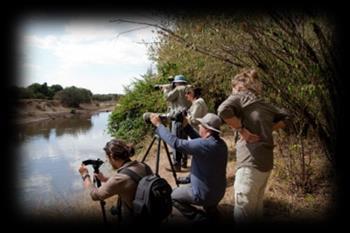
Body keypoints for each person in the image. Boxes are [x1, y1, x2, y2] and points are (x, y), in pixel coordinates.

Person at [217, 69, 289, 223]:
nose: (232, 92)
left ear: (238, 86)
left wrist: (242, 131)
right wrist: (265, 129)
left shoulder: (240, 95)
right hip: (266, 164)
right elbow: (285, 120)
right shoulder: (264, 105)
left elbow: (222, 110)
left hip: (249, 165)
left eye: (233, 89)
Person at [150, 112, 228, 223]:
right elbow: (199, 141)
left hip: (204, 194)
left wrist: (159, 125)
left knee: (172, 196)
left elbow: (176, 144)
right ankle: (212, 211)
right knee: (209, 194)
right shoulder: (220, 144)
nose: (199, 126)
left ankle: (200, 219)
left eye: (201, 125)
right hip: (218, 192)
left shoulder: (203, 146)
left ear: (208, 131)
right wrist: (185, 125)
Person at [78, 139, 153, 224]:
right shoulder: (143, 165)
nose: (109, 162)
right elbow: (130, 180)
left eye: (108, 158)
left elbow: (95, 195)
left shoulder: (120, 179)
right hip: (151, 215)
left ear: (112, 156)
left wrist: (85, 175)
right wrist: (105, 179)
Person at [161, 74, 191, 171]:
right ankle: (184, 162)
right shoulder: (188, 89)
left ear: (176, 83)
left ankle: (176, 165)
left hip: (177, 118)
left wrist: (166, 89)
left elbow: (167, 98)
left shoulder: (178, 90)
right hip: (186, 117)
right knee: (184, 140)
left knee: (176, 140)